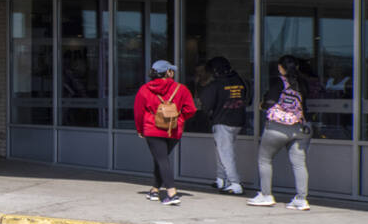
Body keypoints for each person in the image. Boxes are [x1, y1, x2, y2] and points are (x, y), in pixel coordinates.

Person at [249, 55, 312, 210]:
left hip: (277, 127)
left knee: (265, 159)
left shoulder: (279, 82)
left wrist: (262, 105)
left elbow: (270, 101)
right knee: (299, 164)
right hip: (300, 127)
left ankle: (266, 195)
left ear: (281, 67)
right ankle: (301, 199)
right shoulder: (302, 83)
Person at [132, 60, 196, 205]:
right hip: (173, 130)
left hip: (152, 129)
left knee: (161, 160)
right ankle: (155, 190)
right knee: (161, 159)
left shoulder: (144, 89)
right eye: (171, 70)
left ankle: (171, 193)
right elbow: (190, 110)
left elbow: (138, 113)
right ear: (168, 72)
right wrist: (179, 119)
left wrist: (140, 130)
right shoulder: (181, 89)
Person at [203, 56, 249, 195]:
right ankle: (221, 179)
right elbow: (249, 98)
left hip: (222, 121)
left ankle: (235, 183)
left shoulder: (216, 84)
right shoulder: (241, 81)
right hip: (238, 120)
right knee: (222, 151)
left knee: (225, 153)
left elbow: (207, 104)